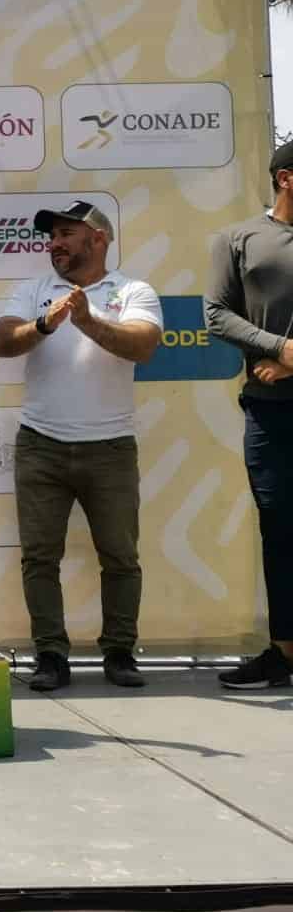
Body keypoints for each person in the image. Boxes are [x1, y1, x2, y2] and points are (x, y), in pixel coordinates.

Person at [0, 202, 162, 692]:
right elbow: (4, 341)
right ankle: (50, 655)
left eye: (67, 233)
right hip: (40, 446)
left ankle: (120, 652)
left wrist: (87, 320)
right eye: (52, 236)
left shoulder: (133, 291)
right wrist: (45, 324)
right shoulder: (34, 290)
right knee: (39, 557)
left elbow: (143, 346)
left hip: (110, 447)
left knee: (120, 556)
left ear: (99, 238)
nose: (55, 243)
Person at [204, 139, 293, 690]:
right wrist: (278, 348)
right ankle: (284, 653)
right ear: (286, 178)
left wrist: (289, 361)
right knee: (279, 528)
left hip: (279, 382)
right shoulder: (238, 239)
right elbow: (215, 314)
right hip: (269, 412)